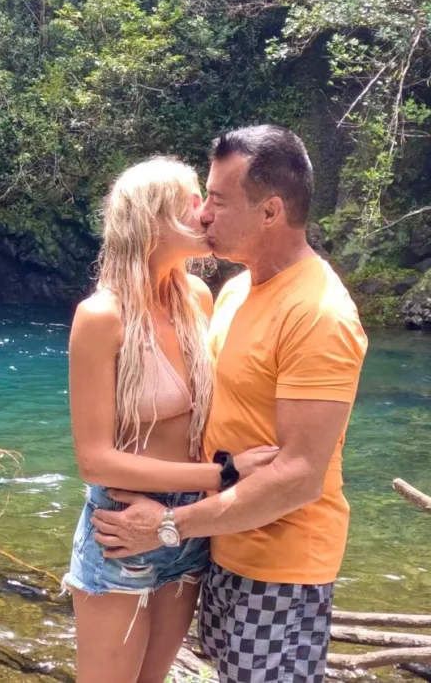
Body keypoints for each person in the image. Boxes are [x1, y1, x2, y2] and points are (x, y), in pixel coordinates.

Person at [90, 126, 368, 683]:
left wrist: (169, 526)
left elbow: (298, 477)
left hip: (280, 565)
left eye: (217, 200)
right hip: (219, 546)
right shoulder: (237, 290)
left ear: (270, 212)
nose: (205, 215)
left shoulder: (320, 315)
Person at [64, 156, 279, 683]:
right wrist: (223, 476)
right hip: (123, 524)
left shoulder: (197, 299)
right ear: (150, 216)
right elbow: (95, 461)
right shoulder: (101, 317)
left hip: (191, 528)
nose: (207, 213)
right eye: (192, 200)